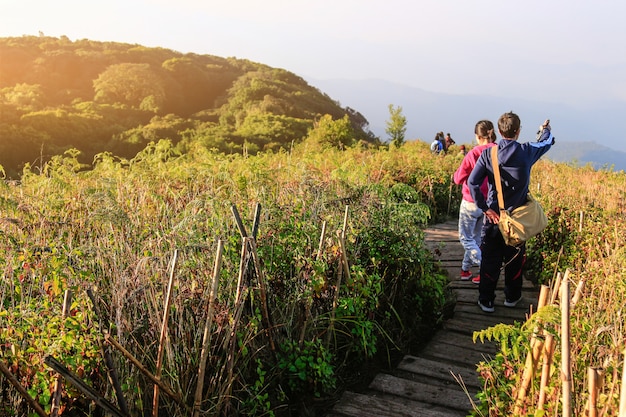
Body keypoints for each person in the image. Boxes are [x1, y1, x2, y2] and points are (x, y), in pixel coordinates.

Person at [468, 112, 554, 313]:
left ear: (498, 131)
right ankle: (512, 297)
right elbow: (546, 142)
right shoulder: (526, 151)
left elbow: (472, 182)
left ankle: (486, 300)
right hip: (518, 220)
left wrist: (485, 208)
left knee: (490, 259)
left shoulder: (489, 155)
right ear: (518, 131)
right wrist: (545, 129)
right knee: (515, 258)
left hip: (493, 218)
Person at [453, 120, 497, 281]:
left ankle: (485, 269)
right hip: (488, 203)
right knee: (476, 239)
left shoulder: (474, 153)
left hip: (471, 201)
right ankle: (465, 270)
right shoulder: (499, 151)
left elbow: (458, 179)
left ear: (478, 136)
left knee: (465, 238)